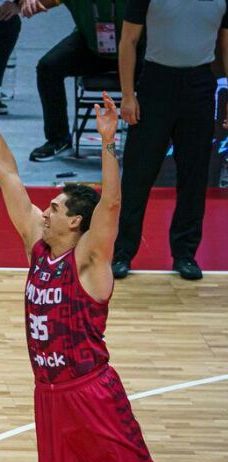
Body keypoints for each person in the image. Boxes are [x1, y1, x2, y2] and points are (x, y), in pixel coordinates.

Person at [0, 60, 228, 462]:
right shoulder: (36, 247)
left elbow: (111, 205)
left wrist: (110, 146)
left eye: (58, 208)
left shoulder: (90, 263)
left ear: (76, 224)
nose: (46, 210)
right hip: (50, 398)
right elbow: (7, 175)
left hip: (92, 394)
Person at [112, 0, 228, 281]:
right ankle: (122, 253)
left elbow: (226, 44)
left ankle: (185, 254)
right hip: (156, 83)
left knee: (195, 174)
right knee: (137, 175)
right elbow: (128, 40)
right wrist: (128, 95)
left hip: (200, 84)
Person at [19, 0, 126, 162]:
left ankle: (161, 138)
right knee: (48, 67)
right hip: (91, 47)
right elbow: (39, 2)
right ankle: (59, 139)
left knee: (163, 71)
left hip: (135, 49)